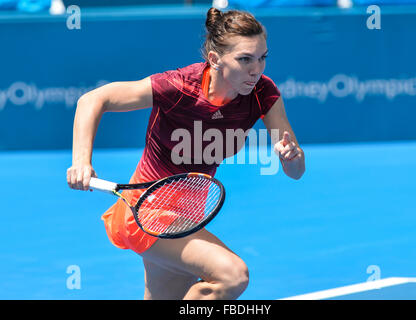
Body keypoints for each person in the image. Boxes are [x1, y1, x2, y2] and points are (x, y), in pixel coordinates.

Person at [67, 7, 305, 300]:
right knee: (233, 276)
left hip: (188, 216)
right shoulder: (179, 86)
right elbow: (94, 99)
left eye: (262, 58)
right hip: (145, 211)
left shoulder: (263, 94)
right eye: (245, 59)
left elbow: (296, 172)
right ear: (215, 60)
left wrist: (291, 158)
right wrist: (81, 161)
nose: (256, 69)